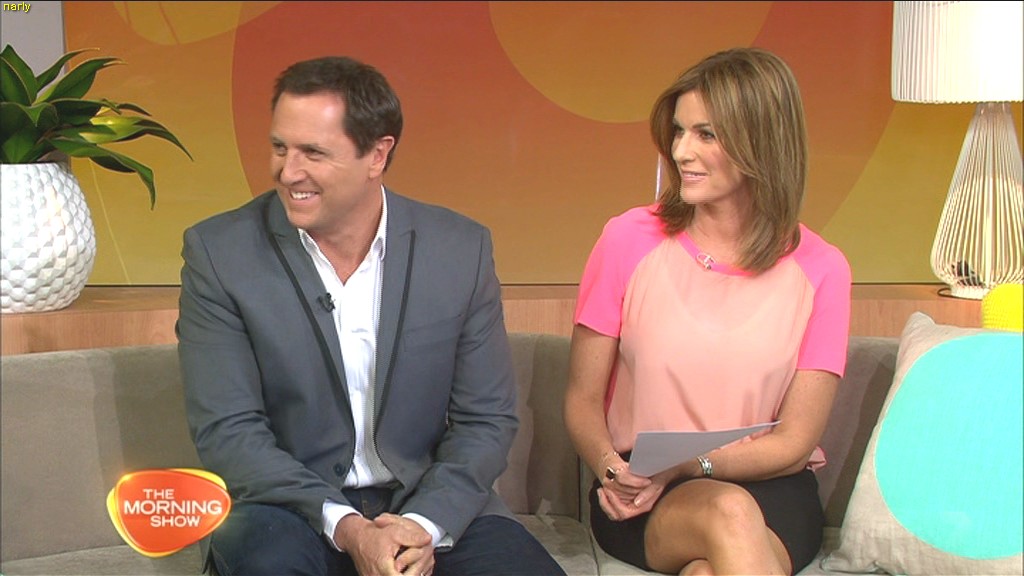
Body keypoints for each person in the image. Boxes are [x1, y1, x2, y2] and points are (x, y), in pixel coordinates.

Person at [177, 55, 566, 576]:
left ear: (377, 154)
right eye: (280, 147)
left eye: (313, 152)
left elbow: (485, 420)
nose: (288, 172)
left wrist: (423, 525)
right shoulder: (220, 253)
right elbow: (228, 430)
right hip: (287, 508)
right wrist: (347, 527)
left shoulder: (459, 251)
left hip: (424, 501)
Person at [564, 47, 852, 576]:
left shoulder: (823, 269)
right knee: (728, 511)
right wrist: (611, 470)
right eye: (679, 131)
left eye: (706, 135)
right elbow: (582, 400)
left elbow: (795, 442)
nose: (681, 151)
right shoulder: (627, 239)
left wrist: (691, 465)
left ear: (762, 142)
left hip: (775, 492)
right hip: (645, 491)